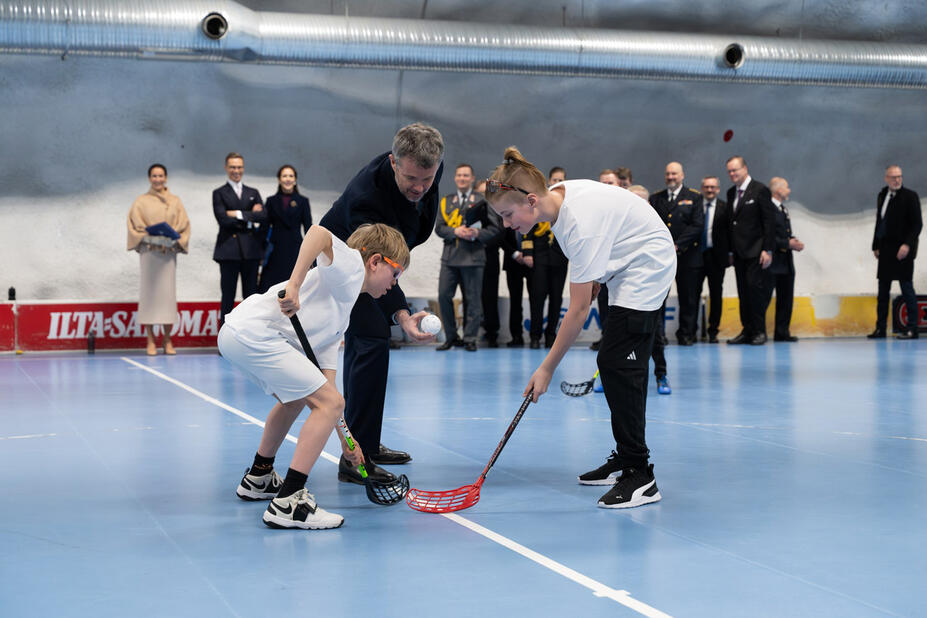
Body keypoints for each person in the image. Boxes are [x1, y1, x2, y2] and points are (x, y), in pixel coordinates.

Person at [485, 147, 676, 509]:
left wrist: (546, 369)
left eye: (508, 215)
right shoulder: (558, 199)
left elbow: (577, 311)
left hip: (647, 265)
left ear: (530, 200)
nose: (508, 224)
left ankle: (641, 475)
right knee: (611, 362)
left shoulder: (578, 226)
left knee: (621, 364)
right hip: (624, 263)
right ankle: (625, 457)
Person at [218, 223, 409, 529]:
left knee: (302, 399)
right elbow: (318, 233)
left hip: (240, 334)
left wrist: (346, 441)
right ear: (375, 261)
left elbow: (326, 386)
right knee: (328, 403)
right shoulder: (349, 268)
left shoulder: (340, 312)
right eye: (396, 273)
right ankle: (289, 501)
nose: (395, 284)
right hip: (255, 334)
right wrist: (294, 285)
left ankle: (259, 475)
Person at [318, 122, 442, 480]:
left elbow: (405, 240)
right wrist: (403, 315)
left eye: (428, 180)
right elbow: (376, 266)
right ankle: (353, 460)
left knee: (374, 342)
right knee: (371, 338)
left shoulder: (427, 165)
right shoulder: (365, 198)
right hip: (345, 258)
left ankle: (366, 444)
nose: (420, 188)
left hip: (383, 257)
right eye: (412, 180)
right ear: (393, 162)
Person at [435, 164, 502, 351]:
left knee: (473, 299)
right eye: (459, 175)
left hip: (473, 257)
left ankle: (470, 338)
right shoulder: (446, 201)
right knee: (443, 296)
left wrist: (476, 233)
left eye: (466, 175)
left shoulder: (482, 200)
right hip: (450, 258)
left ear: (472, 179)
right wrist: (455, 231)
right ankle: (451, 337)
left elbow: (495, 228)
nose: (462, 178)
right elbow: (439, 228)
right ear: (455, 178)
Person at [127, 164, 191, 356]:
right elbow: (134, 226)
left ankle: (167, 339)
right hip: (149, 254)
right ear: (149, 178)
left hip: (167, 255)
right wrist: (148, 233)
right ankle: (150, 340)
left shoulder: (175, 201)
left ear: (166, 177)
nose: (157, 179)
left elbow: (184, 226)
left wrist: (174, 237)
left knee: (167, 298)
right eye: (154, 176)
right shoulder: (141, 201)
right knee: (149, 297)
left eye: (161, 175)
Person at [649, 162, 704, 346]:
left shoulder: (694, 197)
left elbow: (697, 225)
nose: (671, 177)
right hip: (661, 257)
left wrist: (677, 245)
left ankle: (686, 334)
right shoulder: (656, 198)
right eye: (668, 174)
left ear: (682, 175)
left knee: (688, 297)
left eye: (674, 174)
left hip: (687, 256)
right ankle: (659, 335)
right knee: (659, 298)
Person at [725, 156, 776, 345]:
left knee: (755, 292)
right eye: (729, 171)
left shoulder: (760, 190)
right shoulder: (731, 193)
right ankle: (747, 330)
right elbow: (732, 224)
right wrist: (730, 251)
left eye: (735, 170)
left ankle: (759, 331)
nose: (732, 174)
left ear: (745, 169)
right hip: (739, 253)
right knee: (743, 293)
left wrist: (768, 249)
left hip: (756, 252)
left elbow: (768, 222)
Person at [869, 165, 922, 339]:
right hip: (885, 250)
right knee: (882, 291)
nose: (897, 180)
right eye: (893, 177)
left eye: (899, 176)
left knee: (907, 288)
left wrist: (907, 245)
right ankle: (880, 328)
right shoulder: (882, 195)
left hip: (902, 251)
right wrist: (875, 245)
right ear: (886, 178)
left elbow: (917, 225)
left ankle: (912, 328)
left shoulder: (910, 196)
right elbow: (880, 222)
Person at [212, 153, 266, 324]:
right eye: (233, 167)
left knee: (251, 298)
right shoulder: (219, 193)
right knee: (228, 296)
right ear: (226, 168)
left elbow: (263, 217)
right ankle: (224, 338)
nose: (236, 170)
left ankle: (250, 336)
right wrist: (250, 216)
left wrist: (236, 213)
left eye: (239, 167)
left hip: (250, 251)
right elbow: (223, 219)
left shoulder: (253, 192)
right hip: (228, 251)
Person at [591, 168, 633, 351]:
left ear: (619, 184)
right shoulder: (593, 209)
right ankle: (606, 338)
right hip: (602, 265)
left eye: (610, 183)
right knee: (603, 303)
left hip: (626, 266)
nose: (606, 187)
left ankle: (624, 342)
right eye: (603, 183)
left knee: (623, 305)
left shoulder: (630, 206)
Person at [257, 165, 313, 293]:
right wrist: (260, 252)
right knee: (269, 289)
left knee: (294, 289)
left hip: (295, 250)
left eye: (291, 176)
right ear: (279, 179)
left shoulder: (303, 201)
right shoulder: (271, 201)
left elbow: (309, 229)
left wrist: (311, 256)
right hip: (275, 251)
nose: (288, 179)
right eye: (284, 176)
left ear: (295, 180)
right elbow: (264, 228)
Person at [767, 177, 804, 342]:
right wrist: (786, 243)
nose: (789, 190)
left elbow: (783, 233)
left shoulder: (783, 209)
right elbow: (767, 237)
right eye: (786, 187)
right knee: (765, 299)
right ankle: (757, 331)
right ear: (778, 190)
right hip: (773, 262)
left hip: (786, 262)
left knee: (786, 299)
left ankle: (782, 332)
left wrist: (793, 241)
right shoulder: (768, 210)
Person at [696, 176, 730, 343]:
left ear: (717, 189)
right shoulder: (695, 206)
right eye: (707, 187)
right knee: (692, 294)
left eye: (713, 187)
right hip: (696, 256)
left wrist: (730, 254)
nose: (710, 190)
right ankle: (691, 332)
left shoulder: (726, 207)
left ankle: (713, 331)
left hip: (717, 257)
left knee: (716, 294)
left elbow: (731, 233)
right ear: (702, 188)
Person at [476, 178, 504, 348]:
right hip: (471, 257)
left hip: (490, 257)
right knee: (472, 296)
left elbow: (500, 233)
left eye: (484, 193)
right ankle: (471, 332)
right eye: (479, 193)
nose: (482, 196)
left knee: (489, 296)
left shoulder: (496, 210)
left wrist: (483, 242)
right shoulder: (472, 210)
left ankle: (492, 332)